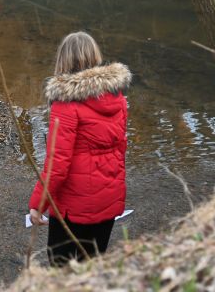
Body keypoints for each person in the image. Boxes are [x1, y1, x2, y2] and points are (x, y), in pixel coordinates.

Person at [28, 32, 131, 267]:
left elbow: (58, 164)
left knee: (60, 269)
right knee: (92, 266)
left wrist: (37, 204)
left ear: (63, 60)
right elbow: (119, 148)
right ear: (95, 56)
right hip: (109, 199)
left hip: (73, 208)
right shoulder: (117, 98)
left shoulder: (66, 104)